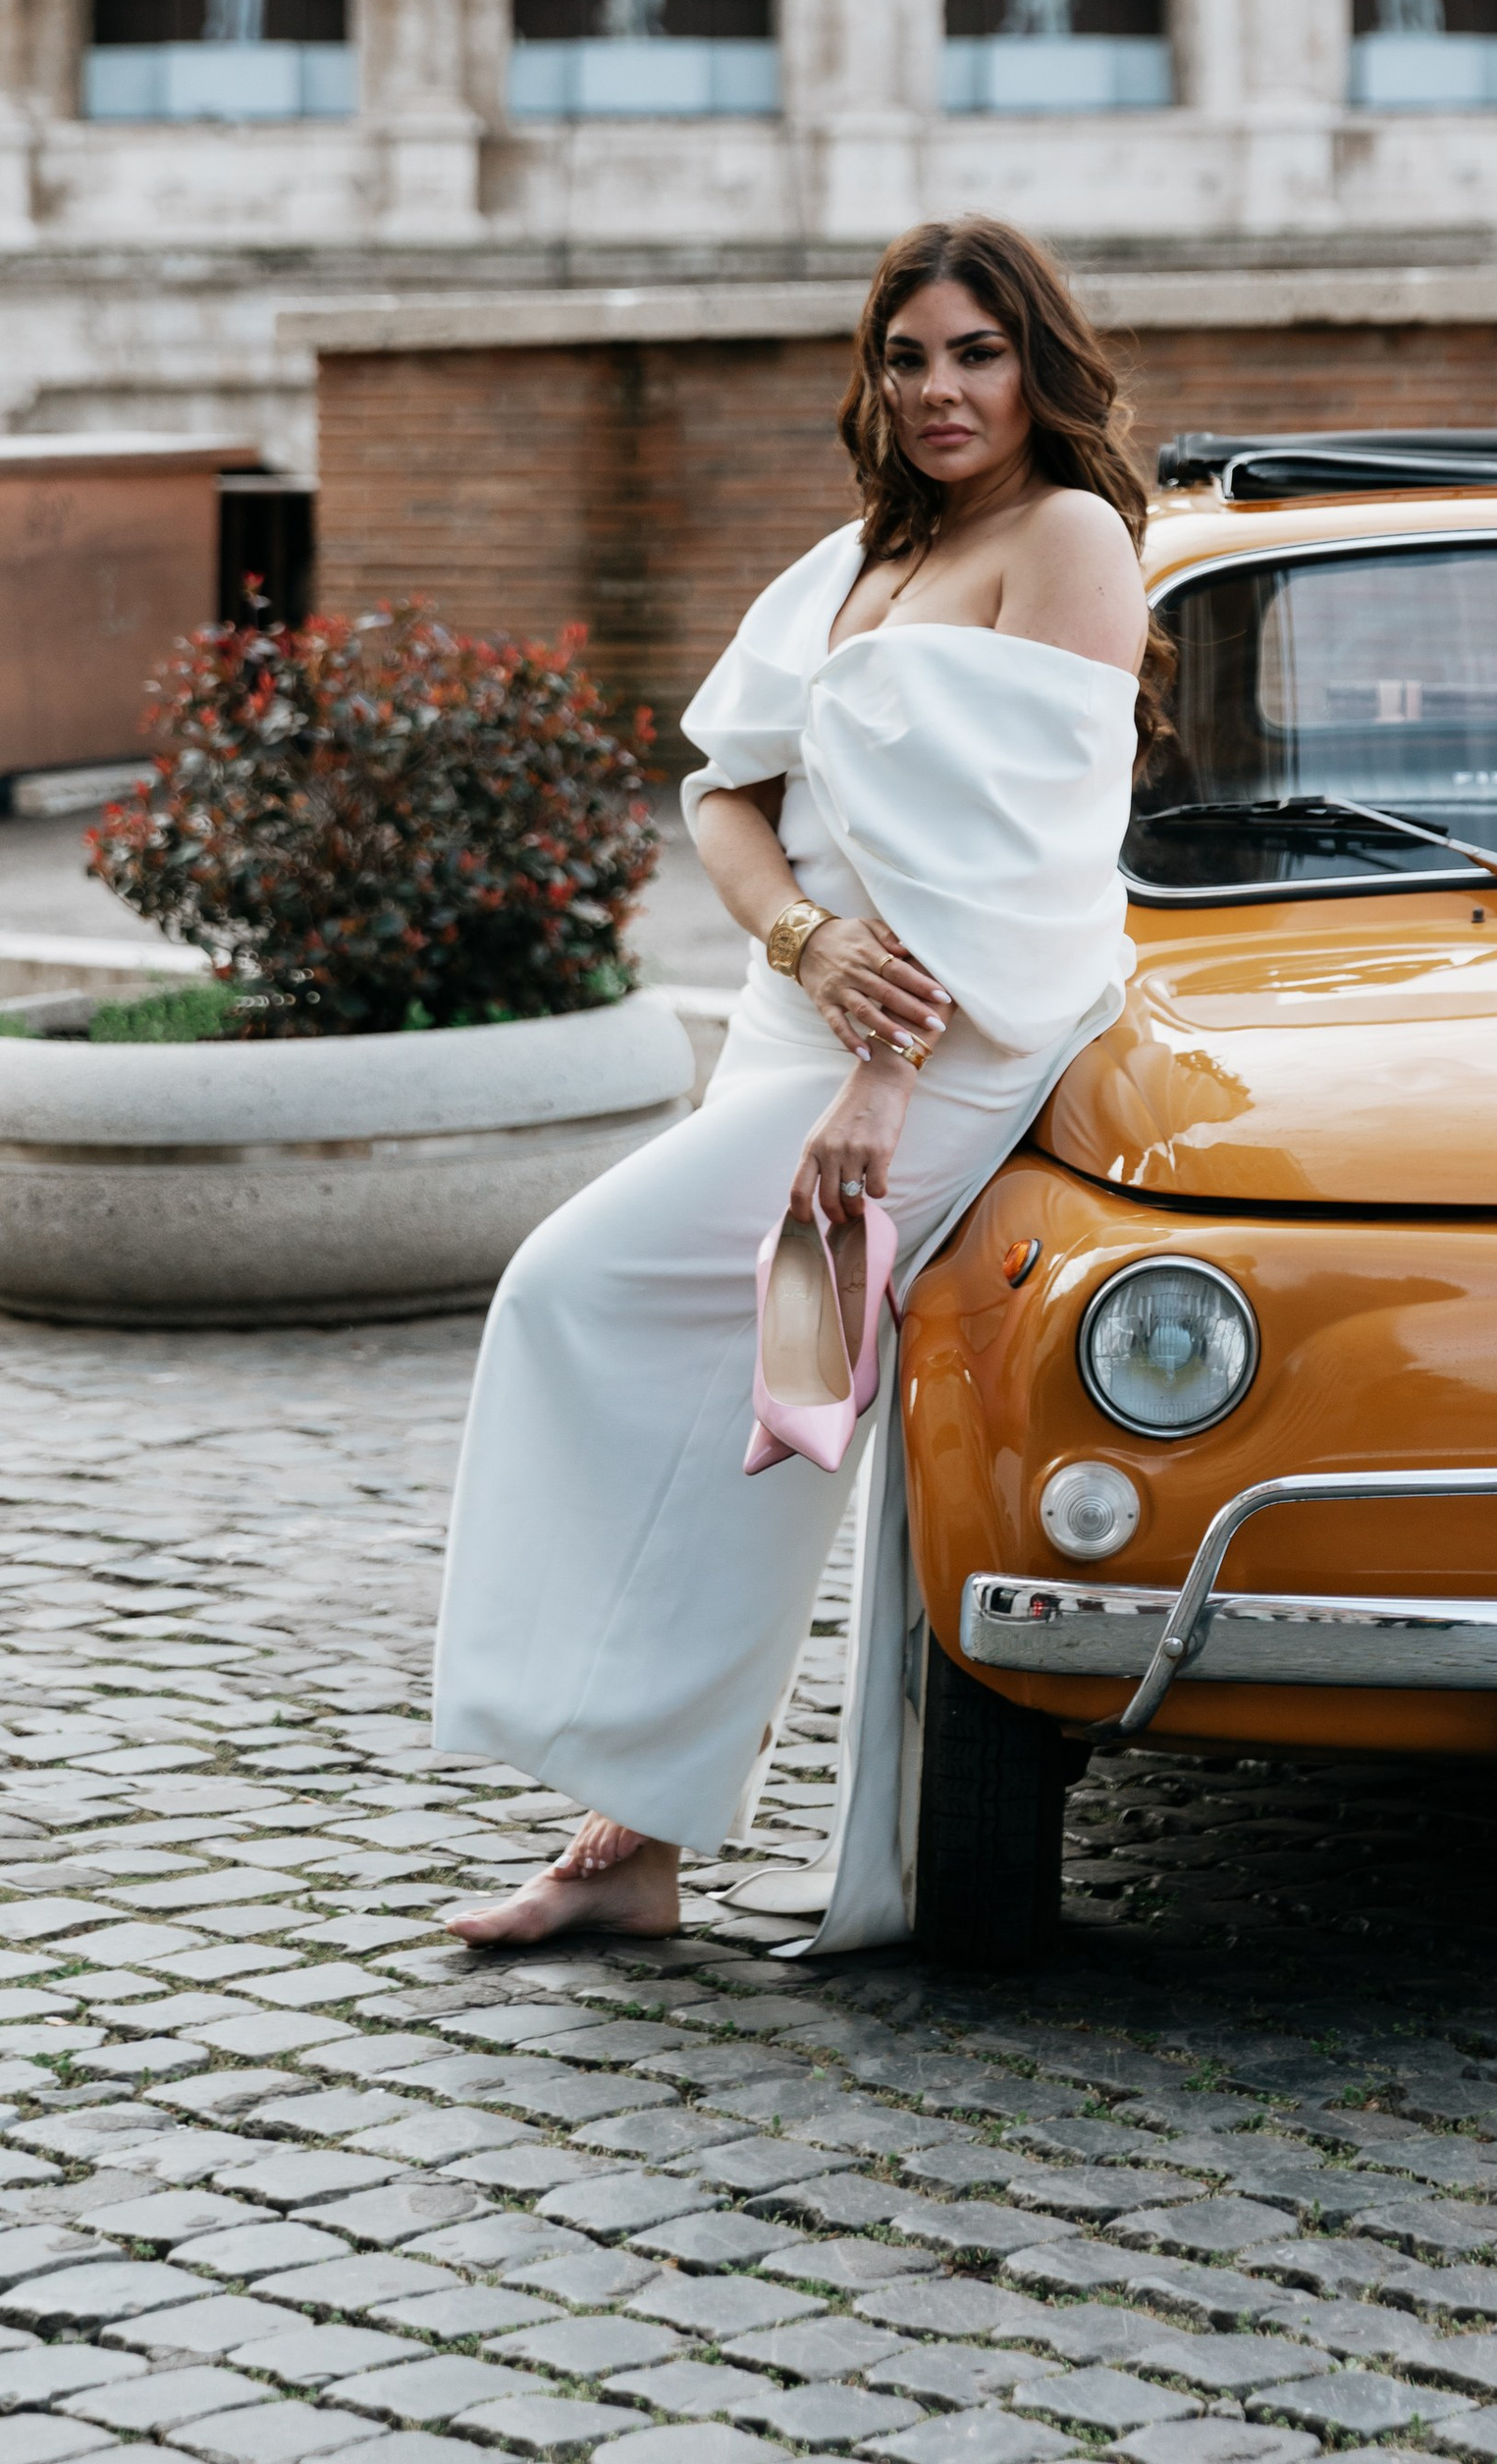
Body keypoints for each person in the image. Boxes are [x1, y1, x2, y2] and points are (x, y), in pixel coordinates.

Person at [432, 217, 1154, 1950]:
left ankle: (634, 1823)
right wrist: (801, 945)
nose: (938, 389)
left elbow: (1024, 861)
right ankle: (639, 1844)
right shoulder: (860, 558)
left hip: (943, 1051)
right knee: (765, 1423)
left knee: (574, 1290)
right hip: (808, 1027)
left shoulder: (1067, 541)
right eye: (908, 357)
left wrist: (884, 1076)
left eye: (976, 352)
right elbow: (719, 793)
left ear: (1035, 361)